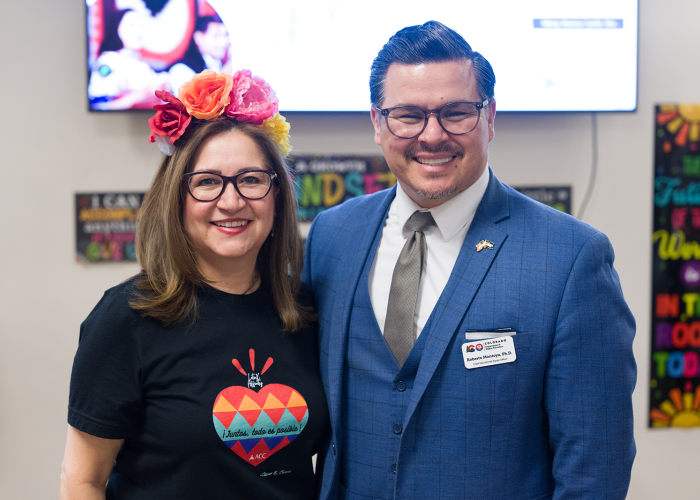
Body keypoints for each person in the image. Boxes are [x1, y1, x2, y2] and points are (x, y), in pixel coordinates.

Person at [302, 21, 636, 500]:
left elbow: (595, 469)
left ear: (490, 117)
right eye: (408, 115)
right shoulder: (333, 236)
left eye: (456, 113)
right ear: (377, 123)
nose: (432, 135)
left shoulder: (571, 258)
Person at [62, 69, 329, 499]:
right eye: (207, 182)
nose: (231, 200)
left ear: (276, 194)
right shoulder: (127, 317)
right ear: (177, 199)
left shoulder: (307, 311)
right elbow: (82, 481)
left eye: (251, 179)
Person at [88, 8, 170, 110]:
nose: (139, 31)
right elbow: (99, 106)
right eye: (132, 25)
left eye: (141, 26)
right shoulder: (108, 61)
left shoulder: (143, 65)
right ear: (117, 27)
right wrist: (144, 92)